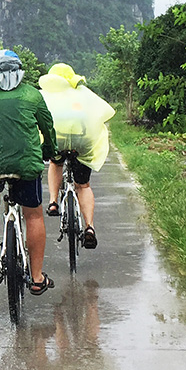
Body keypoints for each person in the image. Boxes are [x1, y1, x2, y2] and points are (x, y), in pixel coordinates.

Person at [0, 49, 57, 295]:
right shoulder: (32, 95)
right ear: (19, 70)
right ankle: (37, 278)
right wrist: (48, 151)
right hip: (26, 165)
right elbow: (48, 127)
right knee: (34, 215)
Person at [39, 63, 115, 249]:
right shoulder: (83, 95)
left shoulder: (46, 96)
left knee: (55, 163)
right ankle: (89, 227)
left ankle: (54, 202)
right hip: (83, 142)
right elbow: (101, 115)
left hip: (58, 142)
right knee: (83, 185)